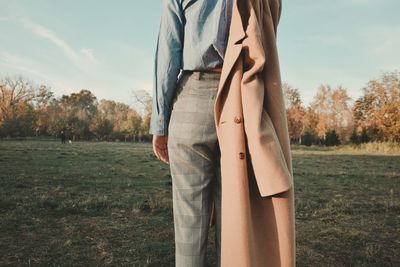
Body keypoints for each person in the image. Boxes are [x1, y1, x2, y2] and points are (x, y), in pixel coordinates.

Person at [149, 0, 233, 266]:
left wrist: (160, 125)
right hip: (241, 98)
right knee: (234, 224)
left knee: (189, 225)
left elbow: (168, 54)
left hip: (192, 97)